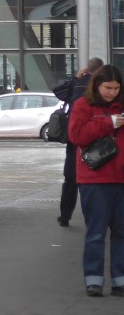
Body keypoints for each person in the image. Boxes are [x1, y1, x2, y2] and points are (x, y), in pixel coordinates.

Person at [66, 63, 124, 298]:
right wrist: (108, 123)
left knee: (121, 232)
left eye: (116, 88)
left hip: (120, 178)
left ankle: (120, 281)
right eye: (108, 88)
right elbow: (76, 135)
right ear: (97, 85)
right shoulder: (83, 105)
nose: (112, 92)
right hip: (95, 178)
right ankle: (94, 280)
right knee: (97, 232)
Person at [54, 57, 103, 227]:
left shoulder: (78, 83)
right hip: (97, 138)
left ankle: (65, 216)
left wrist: (75, 78)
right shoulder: (103, 86)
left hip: (74, 138)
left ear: (87, 70)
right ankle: (95, 218)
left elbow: (57, 92)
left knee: (71, 178)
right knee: (97, 178)